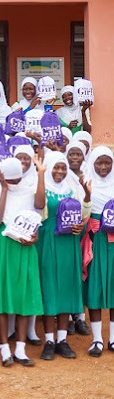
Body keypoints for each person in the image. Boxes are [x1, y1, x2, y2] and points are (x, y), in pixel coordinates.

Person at [0, 156, 46, 367]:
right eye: (9, 180)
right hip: (5, 244)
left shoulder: (29, 187)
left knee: (24, 295)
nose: (14, 184)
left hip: (26, 244)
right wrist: (4, 189)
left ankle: (20, 349)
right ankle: (5, 349)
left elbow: (39, 205)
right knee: (3, 297)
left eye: (15, 180)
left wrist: (40, 174)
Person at [36, 152, 91, 361]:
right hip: (48, 240)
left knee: (66, 288)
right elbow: (39, 206)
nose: (59, 171)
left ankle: (62, 340)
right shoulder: (43, 186)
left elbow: (85, 211)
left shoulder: (72, 186)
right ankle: (49, 341)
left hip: (69, 244)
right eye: (55, 167)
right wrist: (40, 175)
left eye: (62, 167)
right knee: (50, 288)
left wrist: (82, 220)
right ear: (48, 167)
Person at [83, 146, 114, 357]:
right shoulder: (87, 183)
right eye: (99, 163)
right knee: (94, 286)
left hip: (113, 241)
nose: (103, 167)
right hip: (94, 239)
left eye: (107, 162)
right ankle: (97, 340)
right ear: (92, 164)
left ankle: (113, 338)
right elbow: (83, 212)